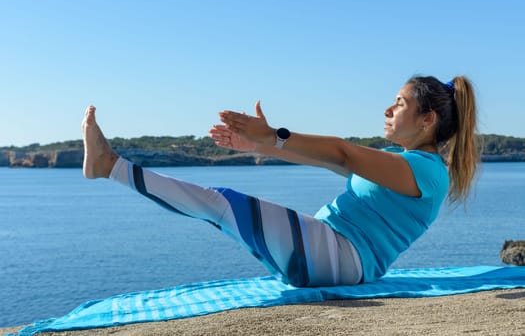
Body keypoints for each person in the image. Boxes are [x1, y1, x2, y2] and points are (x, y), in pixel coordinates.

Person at [82, 75, 478, 287]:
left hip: (341, 258)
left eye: (401, 103)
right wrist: (258, 145)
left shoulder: (428, 172)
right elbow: (327, 161)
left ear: (428, 120)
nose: (388, 109)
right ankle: (110, 166)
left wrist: (273, 135)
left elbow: (341, 152)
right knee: (221, 208)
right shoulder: (399, 162)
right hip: (331, 253)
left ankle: (110, 166)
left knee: (221, 204)